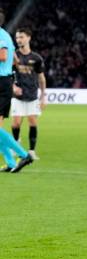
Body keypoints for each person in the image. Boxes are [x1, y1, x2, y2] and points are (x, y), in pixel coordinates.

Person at [0, 10, 33, 173]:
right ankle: (11, 162)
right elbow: (14, 60)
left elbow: (4, 56)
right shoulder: (6, 35)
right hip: (4, 82)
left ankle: (24, 154)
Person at [11, 26, 46, 160]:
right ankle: (16, 145)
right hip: (18, 96)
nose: (19, 40)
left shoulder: (36, 58)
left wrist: (43, 97)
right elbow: (7, 74)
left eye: (21, 37)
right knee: (16, 123)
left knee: (32, 122)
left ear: (28, 38)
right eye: (17, 37)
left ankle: (31, 151)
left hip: (32, 96)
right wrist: (13, 86)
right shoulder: (14, 56)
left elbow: (41, 78)